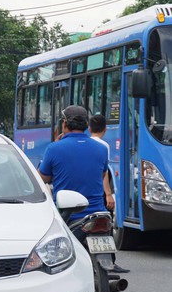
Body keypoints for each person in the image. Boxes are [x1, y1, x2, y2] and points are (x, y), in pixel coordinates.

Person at [39, 105, 128, 273]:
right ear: (87, 125)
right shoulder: (101, 149)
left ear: (64, 124)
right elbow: (103, 174)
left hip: (70, 217)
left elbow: (43, 178)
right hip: (98, 213)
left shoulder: (54, 148)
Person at [89, 114, 115, 211]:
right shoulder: (104, 146)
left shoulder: (85, 142)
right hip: (97, 189)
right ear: (105, 129)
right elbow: (104, 172)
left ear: (89, 129)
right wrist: (108, 195)